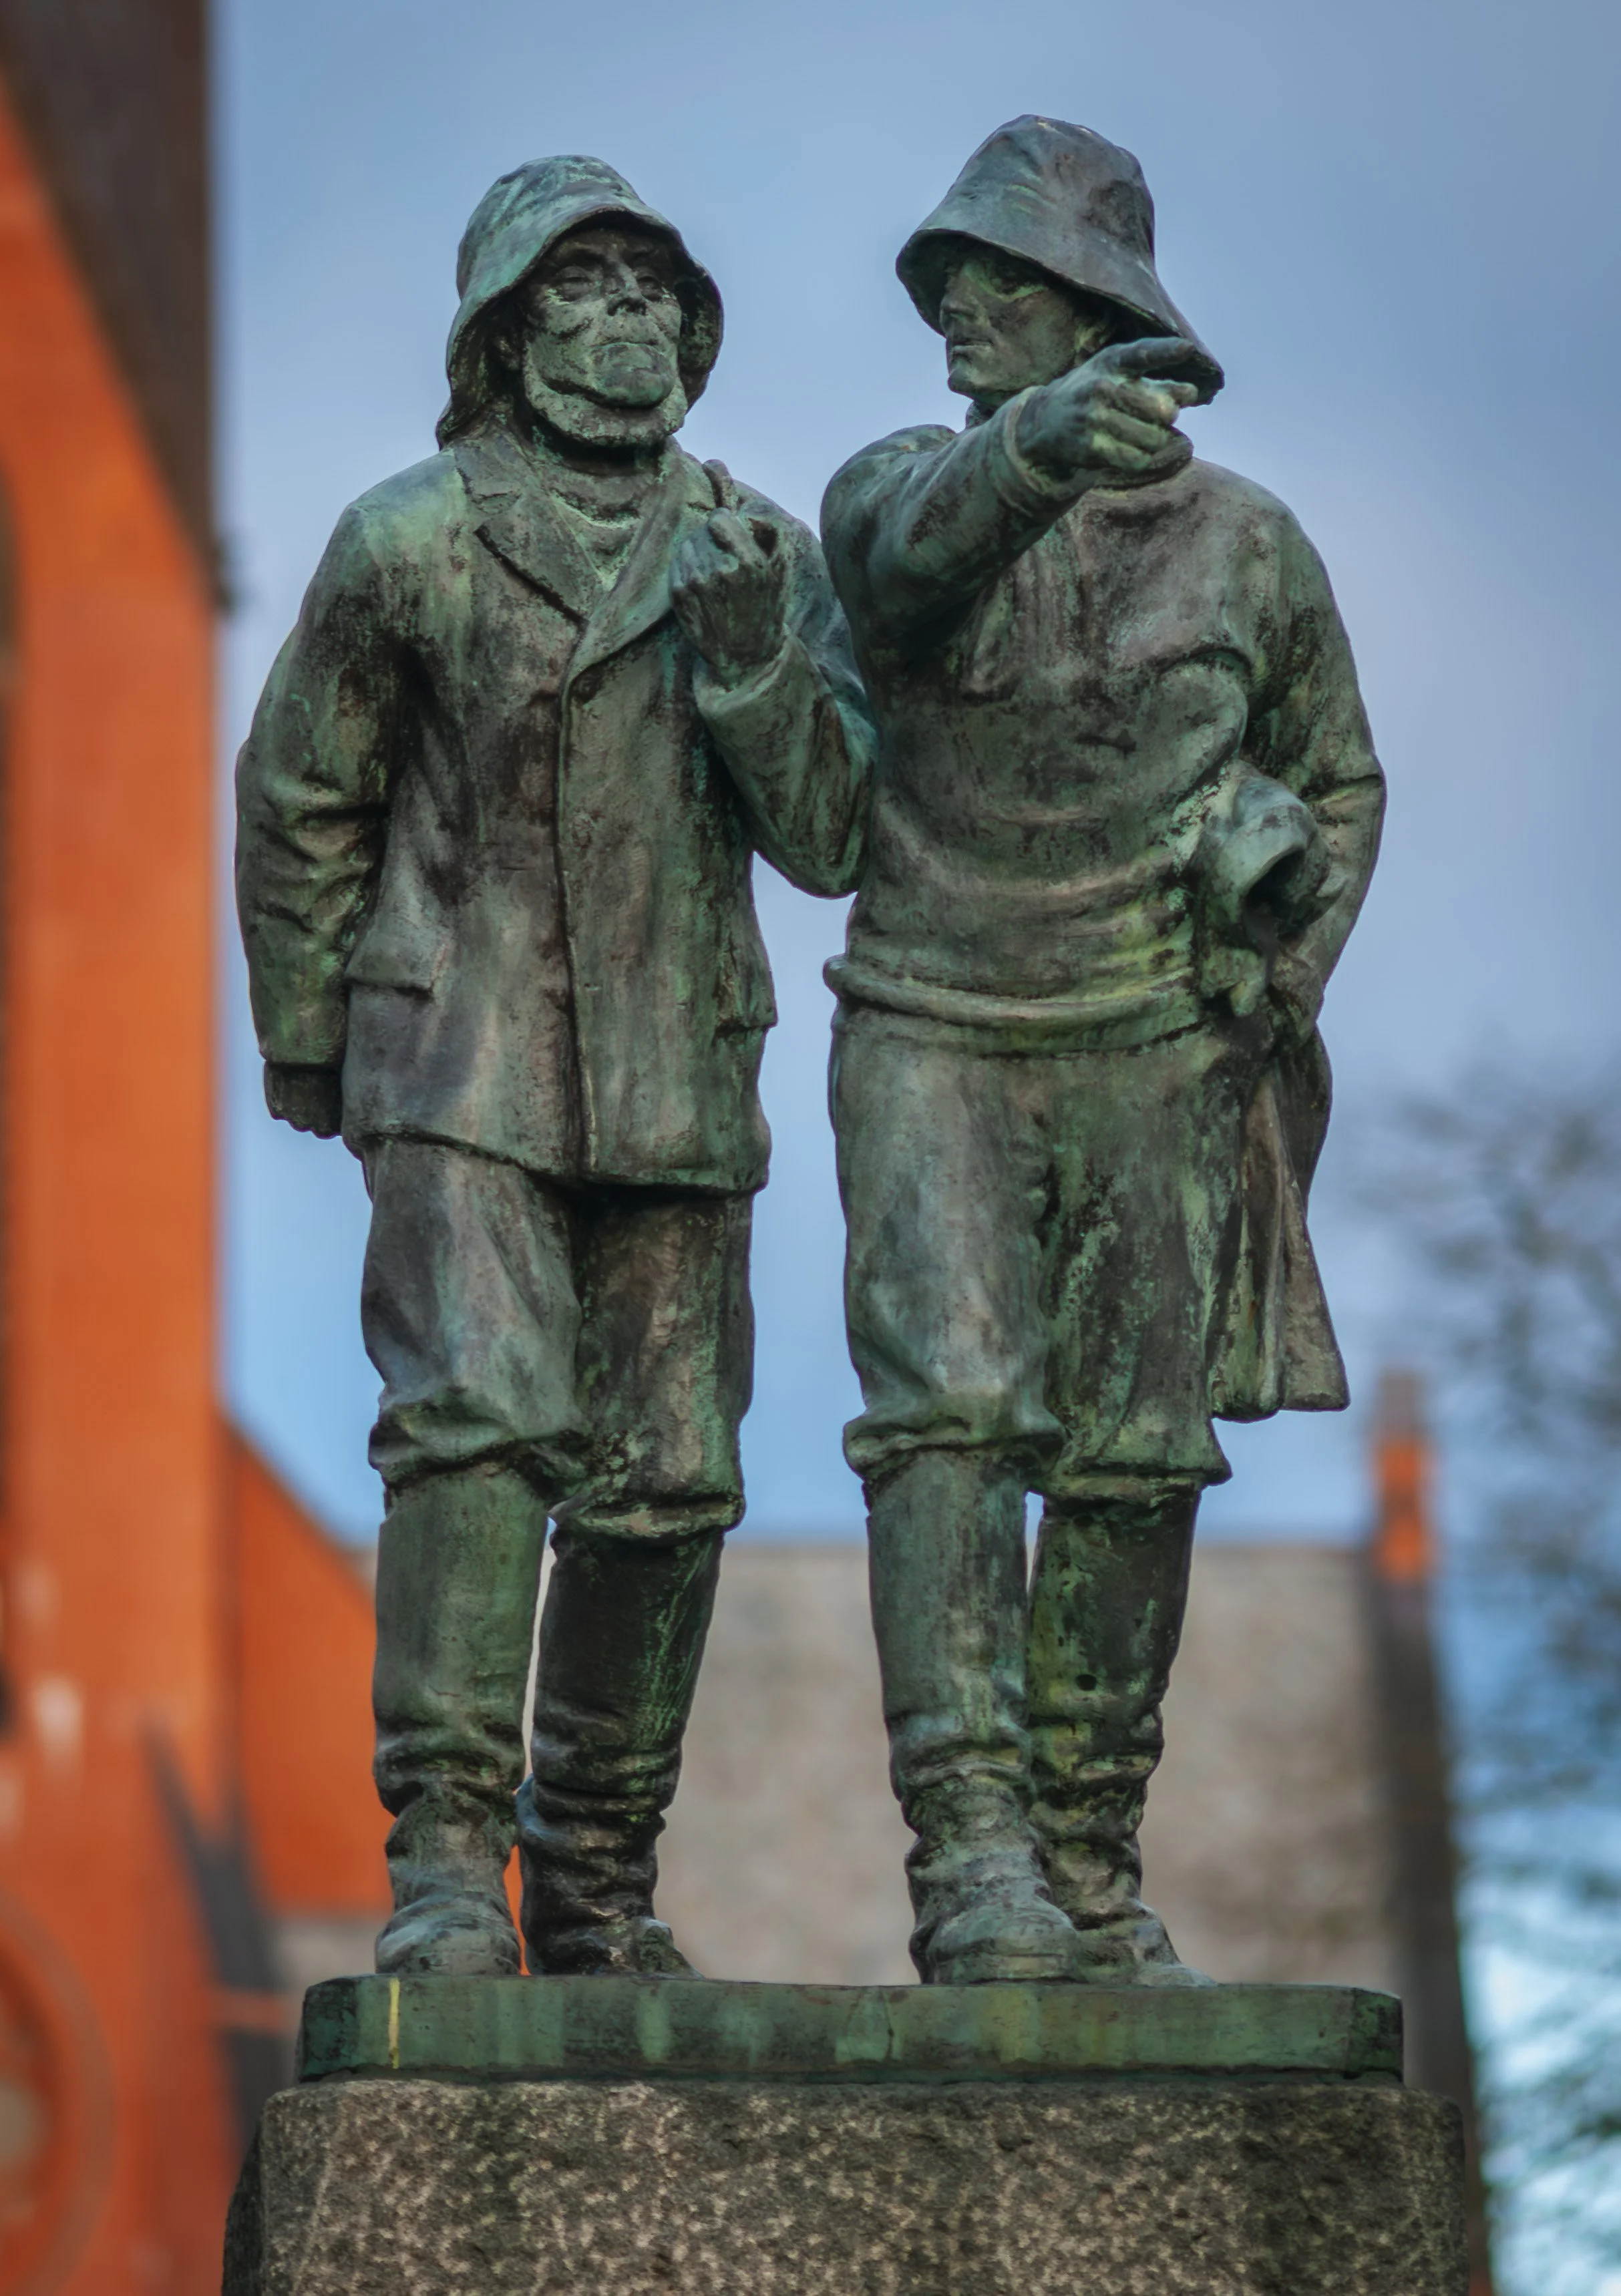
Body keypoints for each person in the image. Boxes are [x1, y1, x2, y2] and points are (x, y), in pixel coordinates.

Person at [236, 156, 871, 1977]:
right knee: (477, 1440)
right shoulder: (410, 537)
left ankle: (593, 1871)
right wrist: (313, 1036)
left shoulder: (762, 557)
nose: (627, 321)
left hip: (678, 1081)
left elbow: (833, 836)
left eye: (653, 293)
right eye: (582, 290)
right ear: (507, 338)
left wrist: (757, 664)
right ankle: (444, 1858)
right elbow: (302, 800)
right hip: (463, 1060)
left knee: (670, 1483)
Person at [821, 116, 1384, 1984]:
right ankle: (968, 1849)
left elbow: (1340, 775)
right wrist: (1037, 453)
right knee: (951, 1433)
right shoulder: (902, 479)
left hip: (1160, 1033)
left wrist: (1280, 924)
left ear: (1088, 305)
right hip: (935, 1025)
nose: (955, 310)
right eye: (948, 282)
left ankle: (1084, 1849)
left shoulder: (1251, 547)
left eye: (992, 281)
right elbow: (899, 571)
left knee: (1137, 1459)